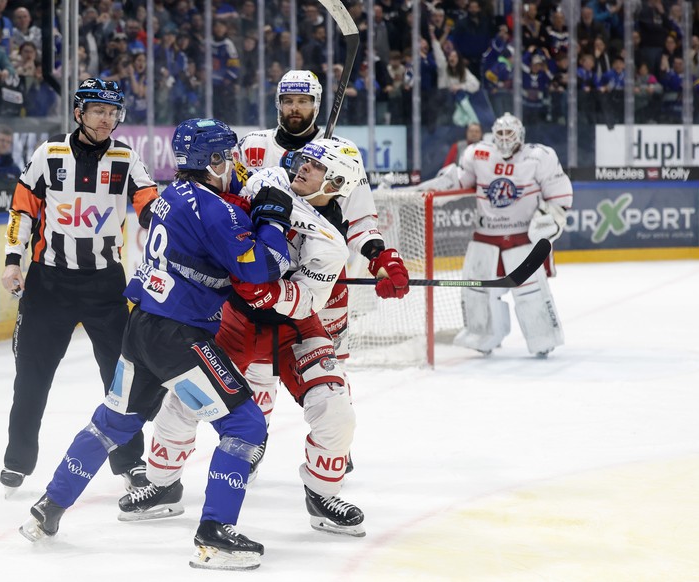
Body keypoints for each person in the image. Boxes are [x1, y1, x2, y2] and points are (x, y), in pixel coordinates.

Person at [20, 118, 294, 572]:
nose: (234, 164)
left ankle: (49, 507)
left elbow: (215, 228)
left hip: (142, 326)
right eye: (227, 156)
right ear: (212, 159)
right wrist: (274, 215)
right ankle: (214, 535)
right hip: (179, 336)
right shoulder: (215, 210)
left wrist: (249, 206)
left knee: (112, 423)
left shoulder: (172, 195)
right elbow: (262, 267)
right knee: (246, 425)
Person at [117, 139, 369, 538]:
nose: (303, 166)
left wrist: (269, 291)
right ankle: (163, 485)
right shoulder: (268, 179)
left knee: (335, 408)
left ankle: (322, 495)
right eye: (305, 159)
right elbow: (219, 202)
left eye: (316, 166)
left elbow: (307, 301)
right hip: (236, 319)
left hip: (294, 329)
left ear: (336, 183)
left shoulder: (331, 243)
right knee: (184, 400)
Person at [230, 70, 410, 473]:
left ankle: (335, 444)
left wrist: (380, 258)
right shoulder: (253, 146)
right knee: (259, 371)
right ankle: (251, 442)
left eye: (304, 101)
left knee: (331, 365)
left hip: (321, 281)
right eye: (288, 101)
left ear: (317, 104)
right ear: (278, 103)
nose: (295, 109)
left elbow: (360, 219)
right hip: (265, 276)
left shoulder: (342, 153)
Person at [0, 78, 158, 496]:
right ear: (78, 113)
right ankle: (18, 460)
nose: (106, 119)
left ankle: (131, 462)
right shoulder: (48, 154)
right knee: (31, 376)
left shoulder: (126, 158)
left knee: (121, 378)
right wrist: (13, 260)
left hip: (106, 286)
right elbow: (22, 210)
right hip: (48, 284)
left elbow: (149, 207)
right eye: (98, 111)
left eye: (113, 112)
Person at [412, 113, 573, 358]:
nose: (505, 138)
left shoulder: (540, 156)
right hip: (486, 236)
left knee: (530, 292)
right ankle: (482, 335)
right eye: (500, 133)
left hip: (522, 239)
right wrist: (435, 186)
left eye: (509, 133)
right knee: (476, 290)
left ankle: (542, 337)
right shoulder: (478, 154)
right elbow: (460, 180)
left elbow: (559, 195)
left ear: (520, 134)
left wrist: (551, 218)